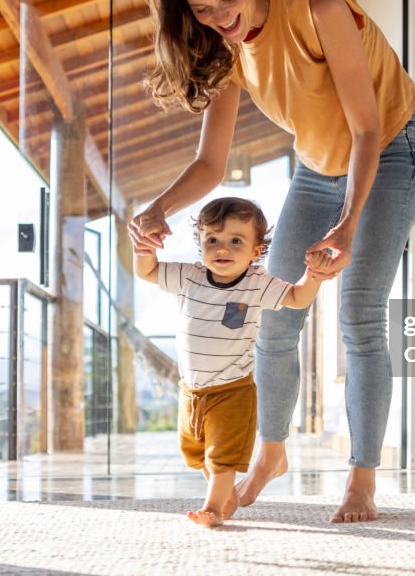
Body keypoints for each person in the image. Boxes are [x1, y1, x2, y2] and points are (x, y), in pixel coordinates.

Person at [128, 0, 415, 524]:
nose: (221, 16)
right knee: (274, 315)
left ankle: (362, 479)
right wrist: (158, 208)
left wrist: (346, 226)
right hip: (318, 169)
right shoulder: (225, 48)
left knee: (360, 316)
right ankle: (269, 454)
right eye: (204, 8)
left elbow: (368, 129)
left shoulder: (319, 7)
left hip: (392, 151)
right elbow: (211, 163)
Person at [134, 197, 328, 528]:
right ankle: (226, 496)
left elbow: (297, 298)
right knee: (198, 455)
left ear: (255, 251)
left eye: (236, 241)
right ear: (201, 244)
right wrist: (144, 250)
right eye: (212, 240)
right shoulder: (189, 276)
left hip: (232, 390)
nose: (222, 248)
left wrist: (315, 276)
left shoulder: (257, 283)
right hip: (191, 391)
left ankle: (213, 508)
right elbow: (148, 272)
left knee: (222, 456)